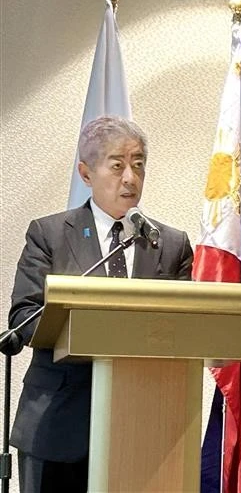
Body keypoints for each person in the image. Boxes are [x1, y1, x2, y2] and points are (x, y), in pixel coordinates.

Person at [1, 116, 193, 492]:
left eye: (138, 164)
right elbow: (24, 318)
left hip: (146, 429)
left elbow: (184, 327)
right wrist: (85, 326)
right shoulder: (50, 235)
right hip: (56, 427)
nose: (130, 177)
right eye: (117, 164)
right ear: (86, 173)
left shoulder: (170, 244)